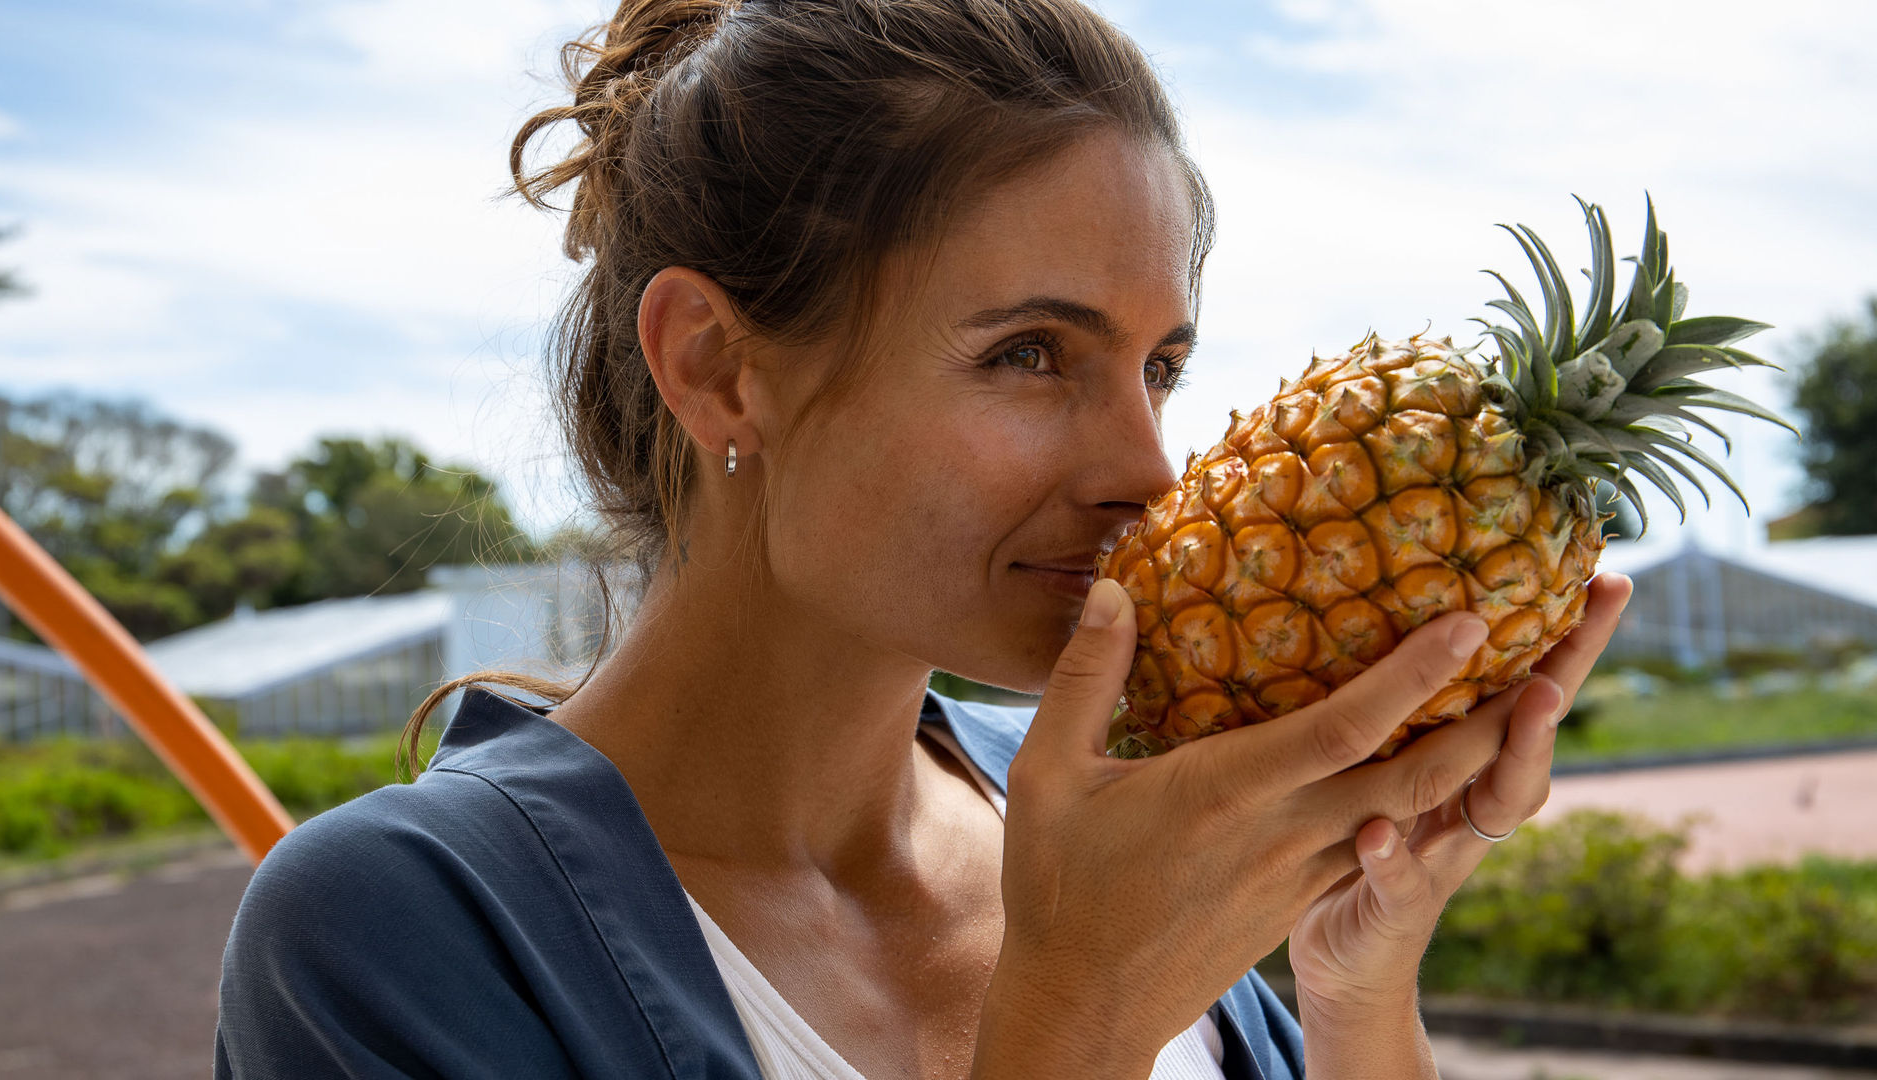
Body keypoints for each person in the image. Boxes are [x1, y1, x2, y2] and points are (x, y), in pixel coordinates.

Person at [213, 1, 1633, 1077]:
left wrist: (1354, 991)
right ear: (716, 364)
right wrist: (1079, 1014)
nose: (1148, 471)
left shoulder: (1111, 815)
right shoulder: (401, 927)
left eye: (1159, 370)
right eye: (1029, 354)